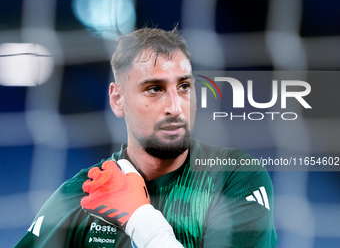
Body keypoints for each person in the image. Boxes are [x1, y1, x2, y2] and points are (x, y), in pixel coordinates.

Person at [15, 27, 277, 247]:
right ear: (118, 100)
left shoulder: (235, 177)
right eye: (154, 89)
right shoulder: (82, 193)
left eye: (184, 86)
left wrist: (137, 217)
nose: (175, 107)